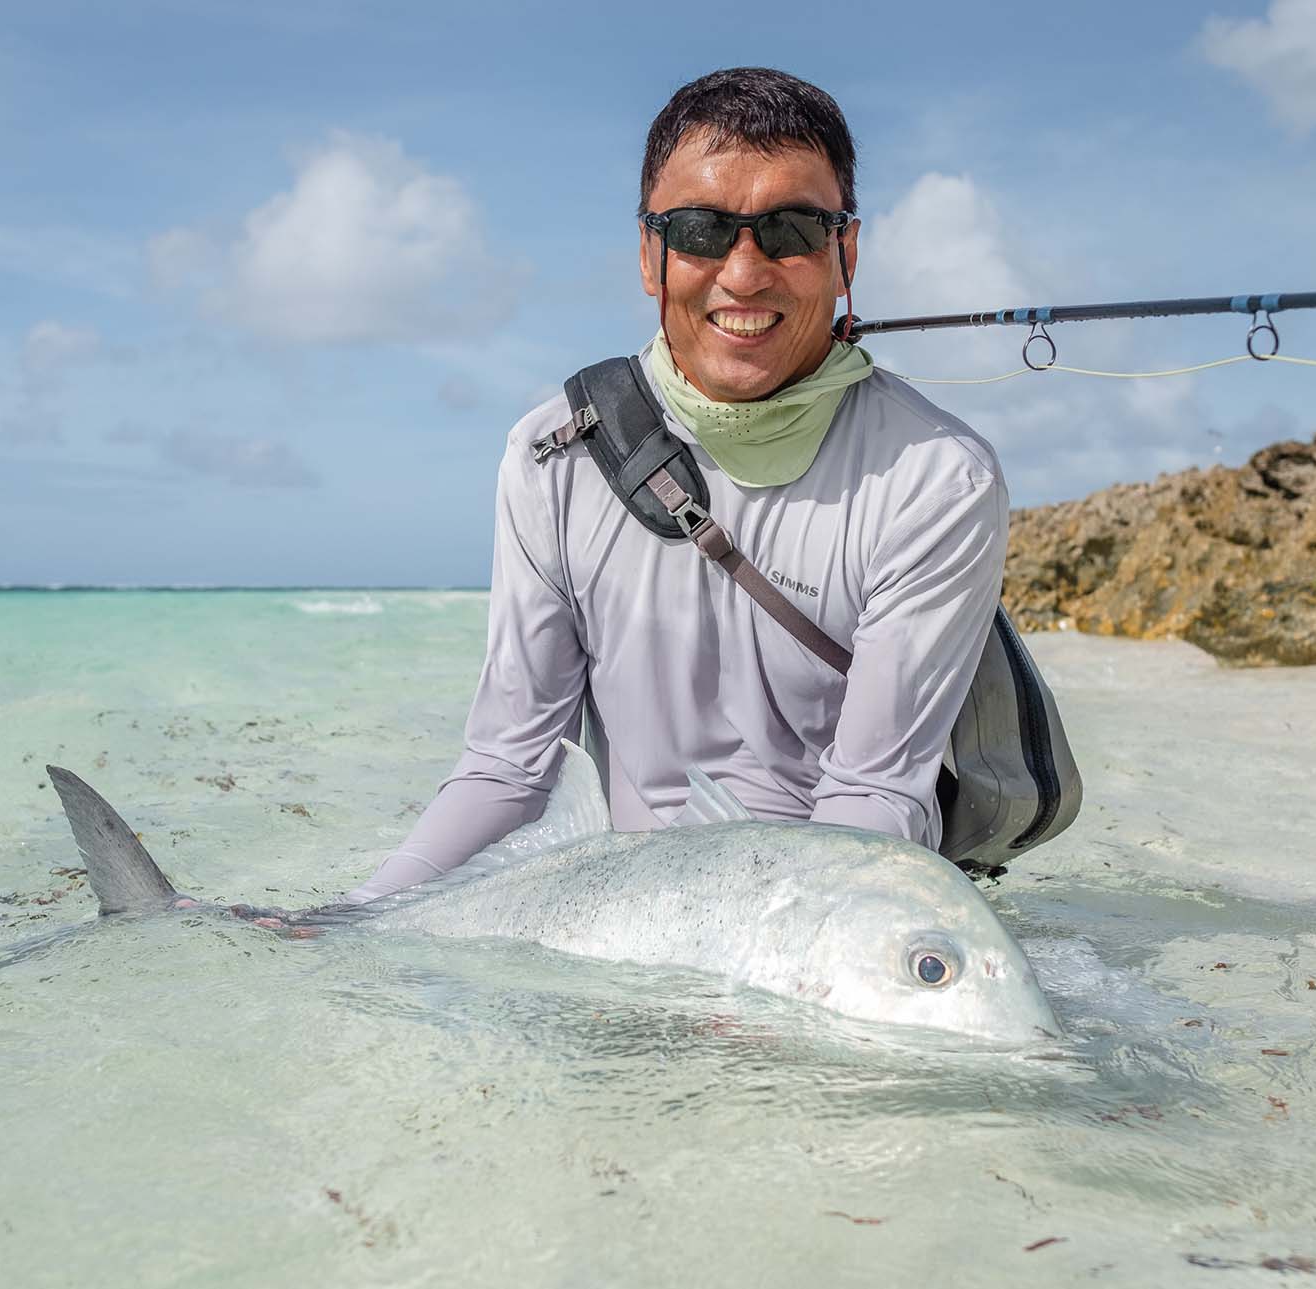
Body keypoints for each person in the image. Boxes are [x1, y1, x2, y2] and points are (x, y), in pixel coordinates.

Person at [348, 67, 1007, 902]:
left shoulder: (938, 479)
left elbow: (873, 795)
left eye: (793, 227)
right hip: (627, 925)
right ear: (649, 255)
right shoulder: (553, 454)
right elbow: (508, 769)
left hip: (831, 914)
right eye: (699, 229)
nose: (743, 273)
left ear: (846, 252)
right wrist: (357, 918)